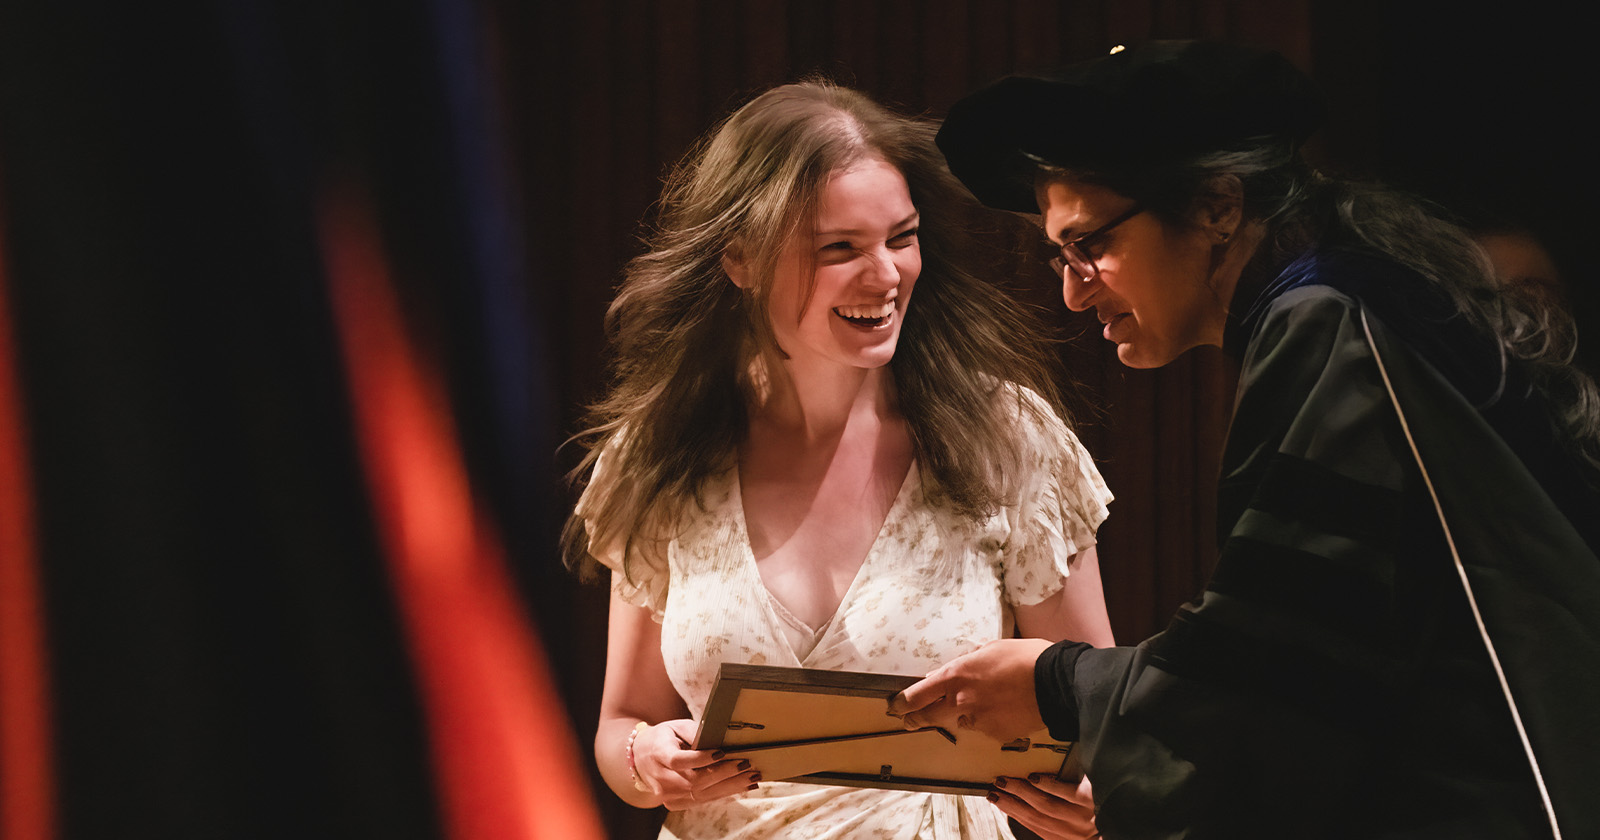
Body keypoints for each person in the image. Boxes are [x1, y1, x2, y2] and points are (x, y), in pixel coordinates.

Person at [890, 41, 1600, 839]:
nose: (1071, 290)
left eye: (1091, 245)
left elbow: (1278, 674)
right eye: (1059, 256)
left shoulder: (1329, 323)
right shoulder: (1364, 298)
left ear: (1218, 208)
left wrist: (1061, 684)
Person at [564, 80, 1118, 840]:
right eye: (840, 249)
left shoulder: (1005, 436)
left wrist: (1092, 798)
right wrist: (644, 759)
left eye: (901, 237)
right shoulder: (660, 453)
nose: (886, 276)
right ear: (741, 260)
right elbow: (622, 722)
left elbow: (1096, 715)